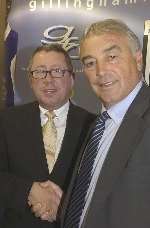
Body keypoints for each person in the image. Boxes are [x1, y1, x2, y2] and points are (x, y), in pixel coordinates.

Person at [60, 19, 150, 228]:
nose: (101, 71)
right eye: (90, 63)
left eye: (111, 57)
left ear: (138, 60)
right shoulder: (97, 125)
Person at [0, 44, 95, 228]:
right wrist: (28, 190)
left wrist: (64, 207)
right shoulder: (6, 121)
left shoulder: (93, 126)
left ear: (72, 79)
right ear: (30, 79)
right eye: (40, 71)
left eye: (57, 71)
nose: (48, 79)